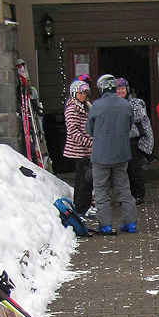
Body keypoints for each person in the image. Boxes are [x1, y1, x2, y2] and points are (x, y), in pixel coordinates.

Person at [86, 74, 137, 235]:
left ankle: (106, 225)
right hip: (121, 154)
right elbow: (129, 126)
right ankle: (130, 224)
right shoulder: (125, 105)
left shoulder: (96, 106)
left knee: (101, 190)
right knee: (124, 189)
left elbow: (90, 130)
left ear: (101, 88)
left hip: (101, 156)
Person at [116, 78, 153, 205]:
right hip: (119, 141)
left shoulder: (136, 103)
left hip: (134, 140)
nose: (120, 91)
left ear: (127, 89)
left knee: (134, 168)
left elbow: (138, 116)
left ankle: (138, 194)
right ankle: (126, 195)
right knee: (122, 170)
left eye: (122, 88)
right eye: (118, 89)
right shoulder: (113, 104)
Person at [63, 79, 94, 217]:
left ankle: (84, 206)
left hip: (87, 151)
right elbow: (73, 132)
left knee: (86, 180)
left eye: (85, 93)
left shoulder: (86, 106)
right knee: (83, 180)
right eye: (81, 93)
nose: (84, 95)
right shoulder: (72, 109)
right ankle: (81, 208)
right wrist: (89, 142)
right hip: (79, 151)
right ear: (74, 93)